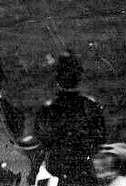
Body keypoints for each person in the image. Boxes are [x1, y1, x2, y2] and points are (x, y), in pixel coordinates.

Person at [34, 52, 106, 186]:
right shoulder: (90, 106)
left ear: (57, 81)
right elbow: (100, 139)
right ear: (78, 78)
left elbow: (43, 141)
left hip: (59, 171)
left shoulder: (48, 110)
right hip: (85, 171)